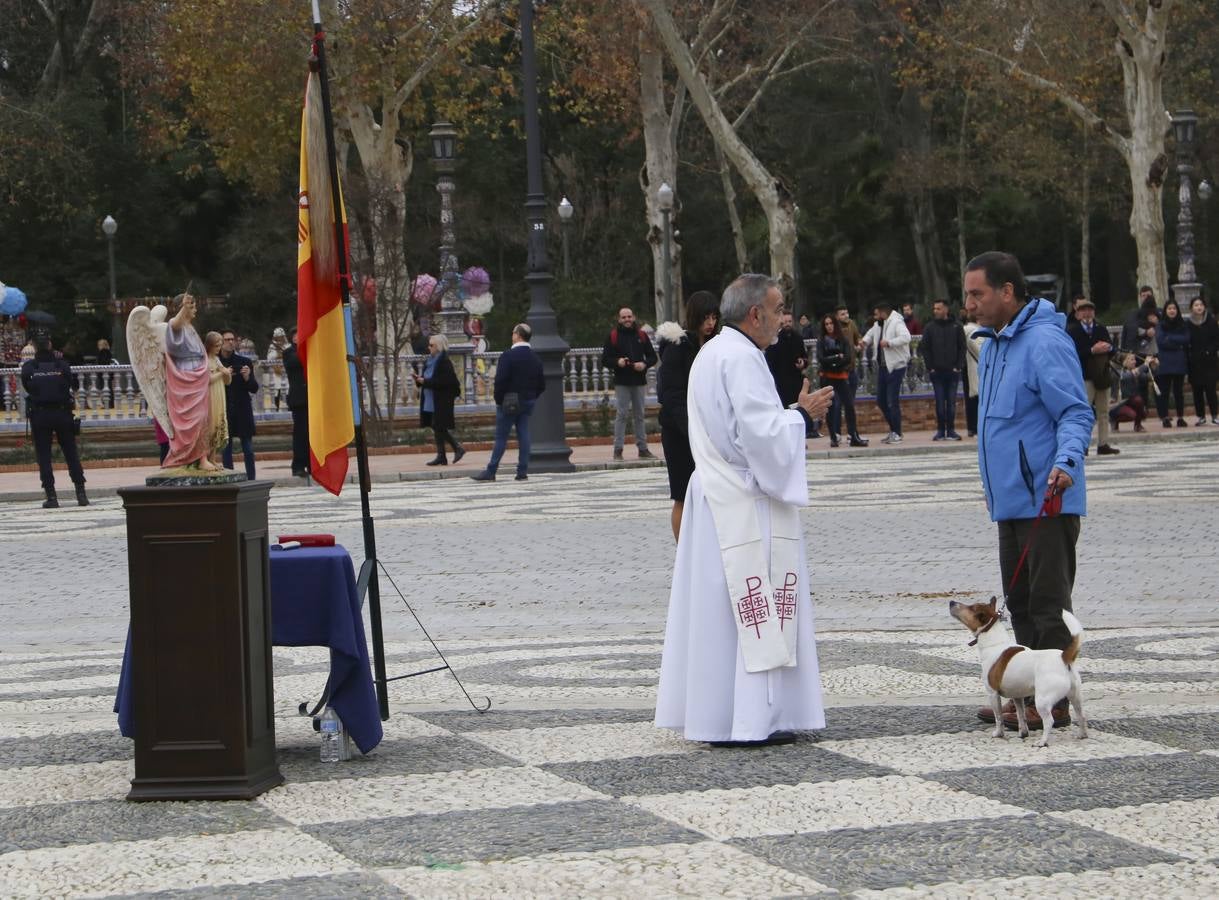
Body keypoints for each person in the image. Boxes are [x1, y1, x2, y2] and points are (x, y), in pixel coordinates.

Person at [654, 274, 834, 746]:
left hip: (713, 495)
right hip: (745, 500)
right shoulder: (743, 358)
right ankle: (754, 719)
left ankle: (718, 716)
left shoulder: (711, 353)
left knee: (721, 616)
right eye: (776, 311)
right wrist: (801, 415)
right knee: (754, 607)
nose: (781, 320)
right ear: (755, 314)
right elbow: (758, 436)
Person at [966, 251, 1093, 731]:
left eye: (977, 293)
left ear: (1007, 292)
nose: (969, 304)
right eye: (967, 294)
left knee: (1046, 602)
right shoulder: (994, 346)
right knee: (1018, 601)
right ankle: (1026, 688)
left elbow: (1076, 413)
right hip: (1010, 502)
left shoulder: (1044, 342)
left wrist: (1064, 463)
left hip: (1047, 498)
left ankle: (1056, 699)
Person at [656, 291, 720, 540]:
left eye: (714, 317)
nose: (711, 323)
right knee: (683, 494)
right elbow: (671, 394)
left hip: (708, 431)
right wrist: (690, 429)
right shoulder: (678, 346)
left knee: (711, 493)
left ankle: (705, 550)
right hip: (680, 432)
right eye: (706, 317)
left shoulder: (716, 345)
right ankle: (684, 555)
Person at [471, 323, 545, 482]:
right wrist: (532, 397)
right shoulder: (535, 358)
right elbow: (541, 384)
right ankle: (522, 471)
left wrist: (499, 400)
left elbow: (501, 381)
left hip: (508, 401)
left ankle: (491, 470)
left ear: (517, 335)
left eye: (513, 332)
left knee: (501, 437)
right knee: (524, 434)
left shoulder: (508, 356)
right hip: (528, 401)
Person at [21, 337, 88, 508]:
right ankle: (81, 494)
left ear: (34, 347)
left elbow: (27, 387)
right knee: (71, 453)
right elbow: (72, 384)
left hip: (40, 415)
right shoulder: (62, 365)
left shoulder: (29, 367)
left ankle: (51, 496)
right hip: (62, 413)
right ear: (50, 345)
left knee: (44, 456)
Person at [601, 307, 657, 460]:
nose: (627, 319)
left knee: (640, 415)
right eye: (624, 317)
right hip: (622, 381)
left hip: (639, 381)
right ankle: (618, 449)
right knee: (622, 415)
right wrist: (617, 362)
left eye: (629, 316)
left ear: (634, 317)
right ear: (619, 319)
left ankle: (643, 448)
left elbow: (653, 357)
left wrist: (644, 364)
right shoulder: (613, 336)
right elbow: (605, 359)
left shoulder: (642, 335)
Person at [1066, 296, 1119, 455]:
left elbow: (1113, 351)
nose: (1087, 314)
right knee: (1084, 412)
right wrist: (1091, 350)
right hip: (1084, 376)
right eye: (1083, 311)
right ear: (1078, 313)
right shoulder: (1072, 331)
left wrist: (1108, 348)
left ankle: (1103, 443)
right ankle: (1083, 445)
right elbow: (1071, 354)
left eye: (1090, 310)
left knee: (1103, 412)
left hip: (1101, 375)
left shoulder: (1101, 329)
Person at [860, 302, 911, 443]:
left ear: (883, 313)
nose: (875, 317)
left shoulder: (896, 322)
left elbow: (906, 337)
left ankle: (897, 432)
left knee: (892, 401)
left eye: (877, 314)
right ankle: (894, 429)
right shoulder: (878, 325)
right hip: (883, 366)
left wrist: (890, 342)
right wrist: (864, 342)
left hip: (896, 366)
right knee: (881, 400)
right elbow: (871, 334)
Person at [413, 333, 465, 466]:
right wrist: (418, 380)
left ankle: (452, 450)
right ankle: (446, 453)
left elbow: (445, 382)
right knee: (436, 426)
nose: (429, 347)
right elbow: (427, 379)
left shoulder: (444, 362)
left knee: (438, 425)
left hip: (441, 399)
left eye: (431, 345)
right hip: (430, 399)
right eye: (429, 345)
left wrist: (425, 381)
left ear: (439, 347)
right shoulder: (429, 360)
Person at [919, 299, 966, 440]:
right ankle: (940, 430)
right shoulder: (930, 328)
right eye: (934, 308)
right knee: (939, 402)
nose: (935, 311)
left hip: (952, 371)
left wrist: (958, 366)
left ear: (946, 309)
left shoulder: (957, 326)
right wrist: (930, 367)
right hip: (937, 371)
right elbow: (925, 347)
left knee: (951, 403)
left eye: (938, 308)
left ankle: (951, 430)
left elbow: (962, 347)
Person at [817, 313, 866, 447]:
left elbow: (847, 357)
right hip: (827, 377)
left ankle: (853, 435)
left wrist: (834, 361)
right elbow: (821, 358)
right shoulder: (822, 340)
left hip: (840, 376)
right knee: (830, 407)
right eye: (826, 324)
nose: (829, 326)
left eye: (831, 323)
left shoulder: (842, 339)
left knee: (849, 405)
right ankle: (833, 436)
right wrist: (836, 358)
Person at [765, 309, 813, 437]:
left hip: (796, 379)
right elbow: (769, 362)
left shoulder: (798, 338)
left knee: (797, 410)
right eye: (785, 321)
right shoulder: (774, 340)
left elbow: (804, 357)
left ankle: (800, 435)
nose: (787, 324)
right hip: (781, 381)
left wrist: (803, 363)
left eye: (790, 321)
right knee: (784, 411)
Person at [218, 329, 258, 479]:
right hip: (224, 409)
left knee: (248, 448)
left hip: (242, 409)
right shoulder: (215, 363)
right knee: (226, 449)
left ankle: (251, 478)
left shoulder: (244, 362)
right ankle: (230, 478)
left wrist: (247, 377)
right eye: (226, 339)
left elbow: (254, 388)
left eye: (232, 339)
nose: (230, 342)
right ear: (220, 343)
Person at [1154, 298, 1190, 428]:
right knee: (1164, 391)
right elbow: (1160, 341)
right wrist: (1176, 342)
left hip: (1179, 362)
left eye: (1174, 308)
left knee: (1179, 391)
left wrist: (1171, 338)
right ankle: (1164, 417)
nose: (1172, 311)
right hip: (1165, 362)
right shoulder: (1160, 325)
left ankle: (1180, 417)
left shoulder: (1183, 324)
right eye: (1169, 308)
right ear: (1166, 310)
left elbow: (1186, 339)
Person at [1186, 295, 1219, 425]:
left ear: (1204, 307)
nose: (1199, 307)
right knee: (1197, 390)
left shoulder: (1211, 321)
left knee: (1211, 389)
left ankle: (1215, 415)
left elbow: (1217, 340)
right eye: (1196, 305)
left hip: (1209, 361)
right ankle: (1201, 416)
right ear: (1191, 308)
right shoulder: (1188, 324)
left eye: (1201, 305)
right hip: (1194, 362)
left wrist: (1209, 351)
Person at [282, 327, 310, 477]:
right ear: (292, 338)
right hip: (299, 399)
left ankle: (312, 464)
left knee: (312, 434)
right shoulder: (289, 353)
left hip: (312, 397)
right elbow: (295, 362)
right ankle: (298, 465)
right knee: (300, 434)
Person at [204, 331, 231, 468]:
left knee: (218, 423)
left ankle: (213, 457)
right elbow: (207, 380)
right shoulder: (204, 360)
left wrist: (226, 374)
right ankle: (206, 458)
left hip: (220, 394)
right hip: (210, 395)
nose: (219, 348)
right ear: (209, 345)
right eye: (216, 346)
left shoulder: (216, 359)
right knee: (210, 424)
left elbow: (227, 382)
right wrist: (222, 372)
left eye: (220, 345)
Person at [1108, 353, 1150, 433]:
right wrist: (1145, 365)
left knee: (1140, 403)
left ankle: (1138, 425)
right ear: (1124, 362)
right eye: (1131, 359)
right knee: (1131, 415)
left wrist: (1154, 367)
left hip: (1129, 401)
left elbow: (1147, 377)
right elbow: (1128, 376)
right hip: (1117, 404)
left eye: (1134, 359)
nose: (1134, 362)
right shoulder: (1116, 372)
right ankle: (1114, 420)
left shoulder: (1134, 371)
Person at [961, 304, 984, 437]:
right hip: (975, 369)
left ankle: (972, 428)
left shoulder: (965, 329)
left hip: (968, 368)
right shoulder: (974, 331)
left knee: (971, 399)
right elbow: (981, 351)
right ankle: (975, 428)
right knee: (977, 400)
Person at [1120, 287, 1158, 352]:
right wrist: (1146, 332)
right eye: (1143, 296)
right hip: (1139, 351)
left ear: (1153, 296)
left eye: (1148, 295)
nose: (1146, 298)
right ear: (1140, 297)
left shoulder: (1160, 312)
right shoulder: (1133, 314)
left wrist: (1157, 324)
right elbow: (1131, 328)